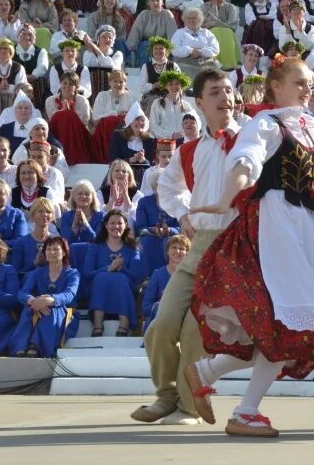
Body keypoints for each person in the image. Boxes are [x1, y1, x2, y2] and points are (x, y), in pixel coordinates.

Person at [185, 57, 314, 437]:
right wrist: (225, 198)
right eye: (299, 83)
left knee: (290, 324)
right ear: (276, 88)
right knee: (289, 324)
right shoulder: (265, 124)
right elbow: (246, 162)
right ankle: (244, 411)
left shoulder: (309, 127)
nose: (308, 89)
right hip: (276, 225)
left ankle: (207, 373)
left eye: (310, 83)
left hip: (307, 229)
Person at [131, 68, 240, 426]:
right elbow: (168, 187)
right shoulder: (189, 149)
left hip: (234, 249)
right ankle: (166, 397)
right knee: (160, 326)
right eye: (215, 92)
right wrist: (183, 213)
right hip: (199, 246)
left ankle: (189, 408)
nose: (225, 97)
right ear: (199, 103)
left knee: (196, 333)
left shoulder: (252, 139)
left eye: (228, 90)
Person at [8, 236, 79, 357]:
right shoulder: (38, 272)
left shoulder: (73, 273)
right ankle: (20, 347)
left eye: (56, 249)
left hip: (64, 312)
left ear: (64, 252)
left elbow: (69, 294)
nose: (51, 252)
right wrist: (34, 301)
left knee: (51, 310)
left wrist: (51, 300)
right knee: (28, 309)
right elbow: (22, 293)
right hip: (38, 308)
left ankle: (36, 346)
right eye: (48, 249)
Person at [84, 209, 142, 336]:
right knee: (101, 277)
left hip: (125, 286)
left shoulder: (133, 247)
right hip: (97, 285)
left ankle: (124, 323)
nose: (116, 226)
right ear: (106, 225)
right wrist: (108, 269)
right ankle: (98, 324)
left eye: (120, 223)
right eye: (112, 223)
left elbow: (136, 276)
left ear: (126, 225)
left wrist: (122, 269)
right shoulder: (95, 246)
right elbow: (87, 274)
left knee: (120, 278)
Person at [141, 234, 190, 333]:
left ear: (187, 253)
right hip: (160, 322)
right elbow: (145, 309)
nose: (177, 251)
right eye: (174, 247)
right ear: (167, 251)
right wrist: (165, 304)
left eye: (181, 248)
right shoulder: (158, 275)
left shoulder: (191, 276)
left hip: (183, 322)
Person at [170, 7, 220, 78]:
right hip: (184, 63)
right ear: (184, 20)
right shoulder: (179, 32)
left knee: (214, 72)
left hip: (205, 62)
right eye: (188, 18)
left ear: (199, 20)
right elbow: (174, 50)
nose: (191, 20)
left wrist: (200, 52)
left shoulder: (206, 32)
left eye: (194, 18)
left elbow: (215, 49)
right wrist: (191, 50)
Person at [149, 71, 195, 140]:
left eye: (177, 83)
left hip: (183, 142)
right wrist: (171, 135)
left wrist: (184, 134)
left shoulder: (187, 105)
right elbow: (153, 127)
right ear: (166, 86)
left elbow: (195, 122)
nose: (174, 86)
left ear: (181, 86)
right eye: (170, 84)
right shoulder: (157, 103)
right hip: (164, 143)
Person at [60, 180, 104, 245]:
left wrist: (86, 224)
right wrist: (75, 225)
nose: (83, 196)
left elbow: (98, 241)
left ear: (93, 198)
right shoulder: (66, 216)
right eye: (80, 193)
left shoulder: (100, 216)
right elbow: (65, 242)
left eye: (87, 194)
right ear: (73, 197)